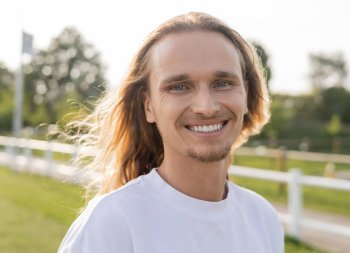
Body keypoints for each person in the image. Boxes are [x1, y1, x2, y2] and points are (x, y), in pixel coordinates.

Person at [58, 12, 284, 253]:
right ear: (149, 106)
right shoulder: (113, 222)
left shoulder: (262, 219)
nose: (206, 107)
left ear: (246, 95)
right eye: (179, 87)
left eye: (222, 83)